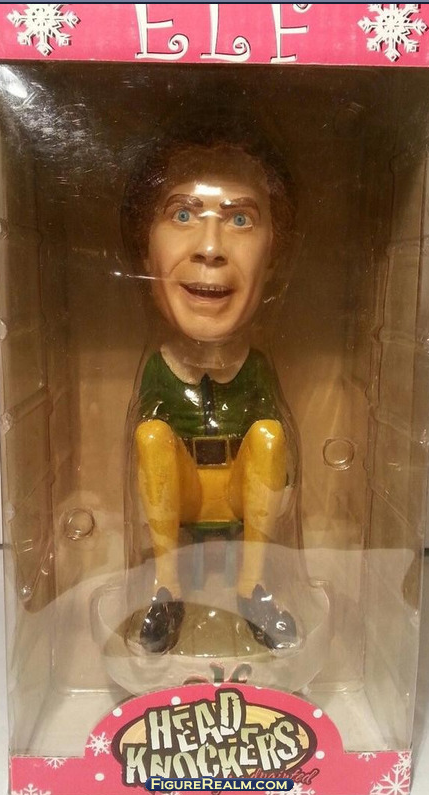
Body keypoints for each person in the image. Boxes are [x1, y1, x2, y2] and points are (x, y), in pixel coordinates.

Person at [122, 124, 299, 655]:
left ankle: (253, 586)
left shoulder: (256, 366)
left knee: (269, 435)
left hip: (239, 489)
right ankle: (167, 589)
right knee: (151, 436)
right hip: (185, 491)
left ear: (273, 254)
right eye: (182, 214)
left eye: (240, 219)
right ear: (145, 249)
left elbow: (274, 453)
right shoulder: (159, 368)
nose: (210, 248)